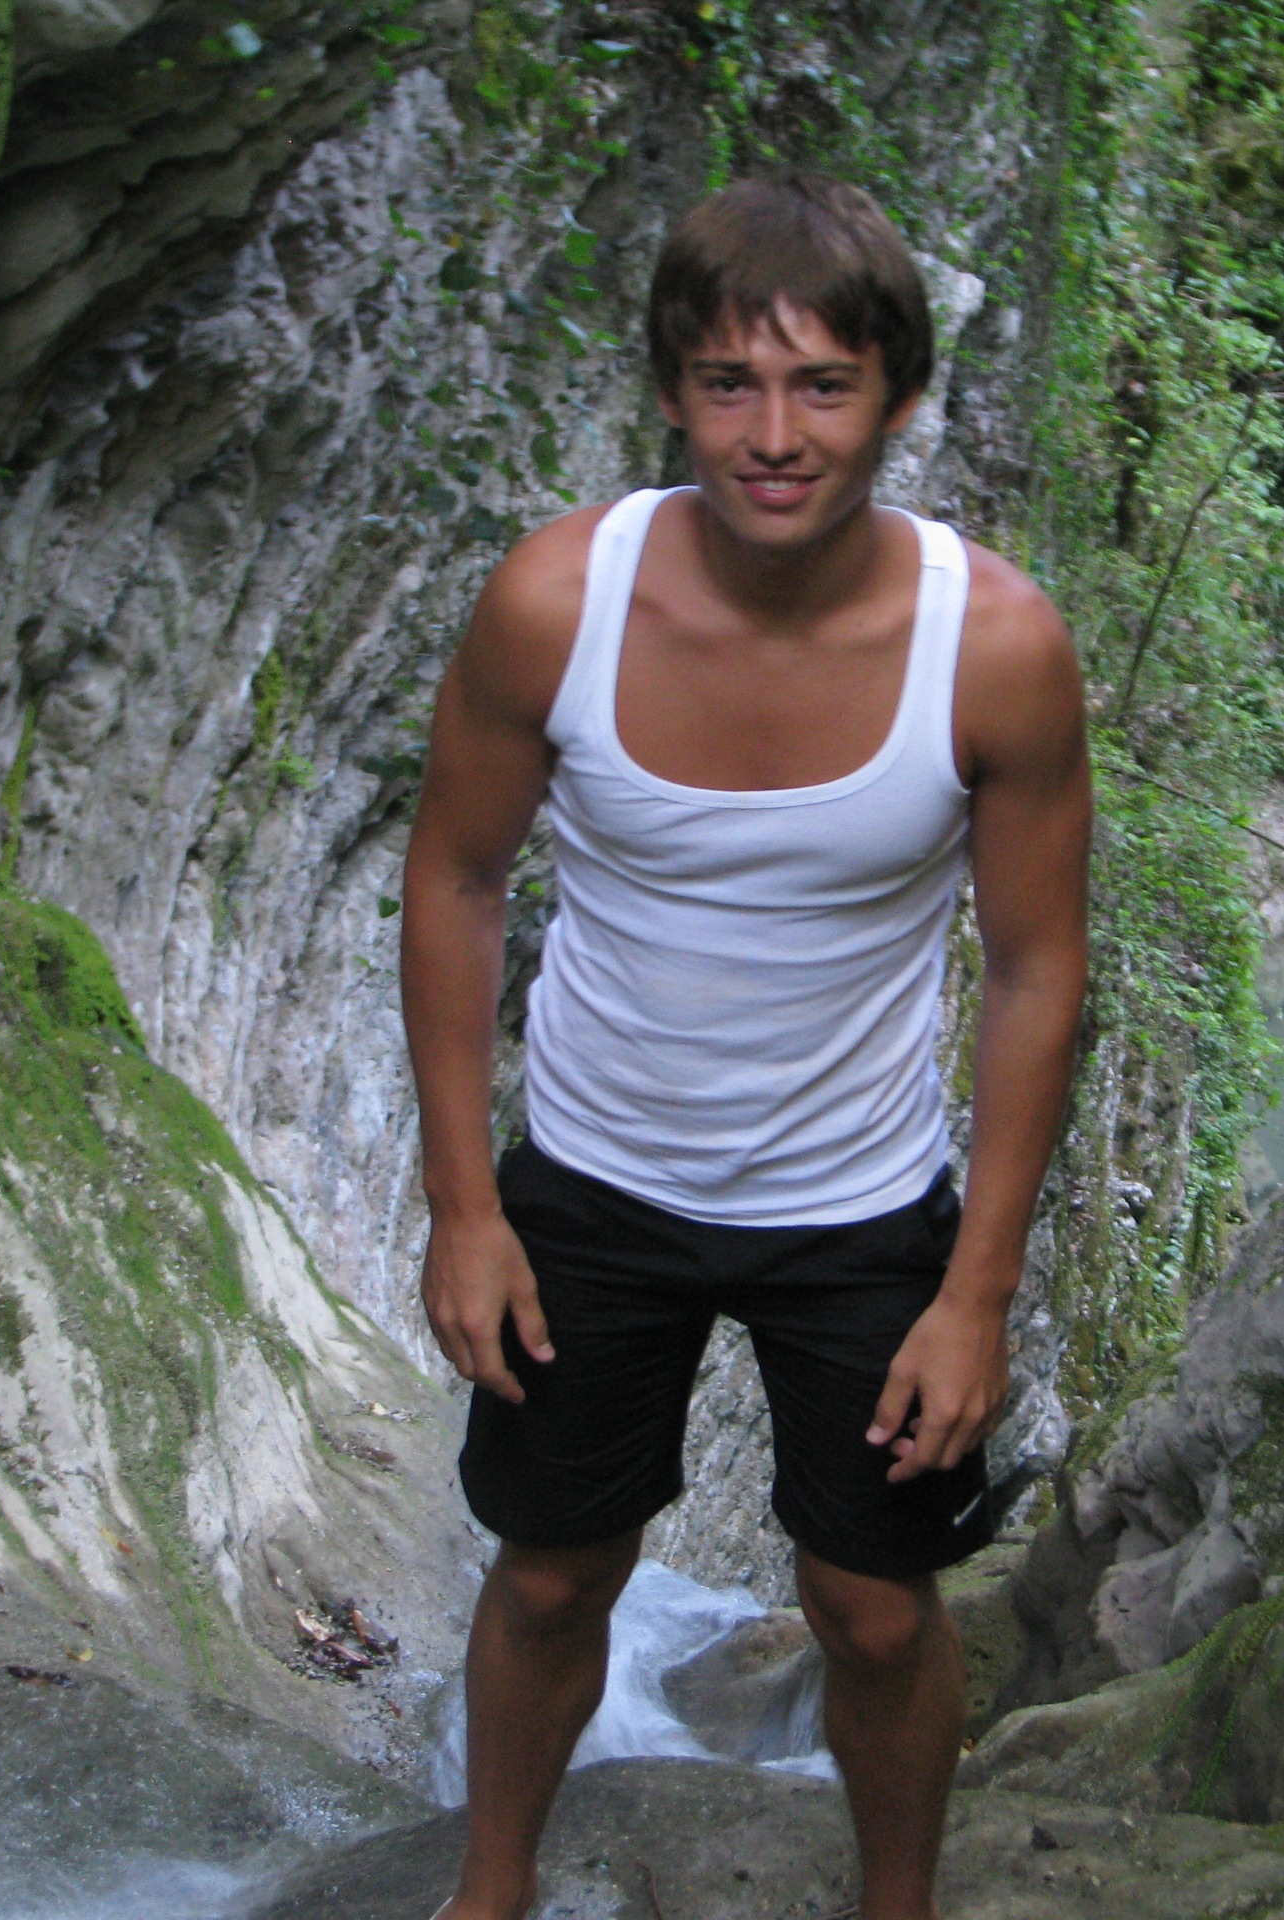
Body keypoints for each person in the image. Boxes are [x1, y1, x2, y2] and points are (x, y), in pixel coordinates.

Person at [399, 170, 1091, 1920]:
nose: (774, 437)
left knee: (872, 1606)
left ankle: (895, 1906)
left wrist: (980, 1292)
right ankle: (490, 1893)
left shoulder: (995, 647)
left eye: (823, 387)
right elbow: (456, 878)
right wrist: (465, 1206)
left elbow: (1036, 969)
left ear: (900, 399)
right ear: (672, 391)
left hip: (856, 1205)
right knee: (552, 1575)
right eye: (730, 383)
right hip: (593, 1182)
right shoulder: (558, 601)